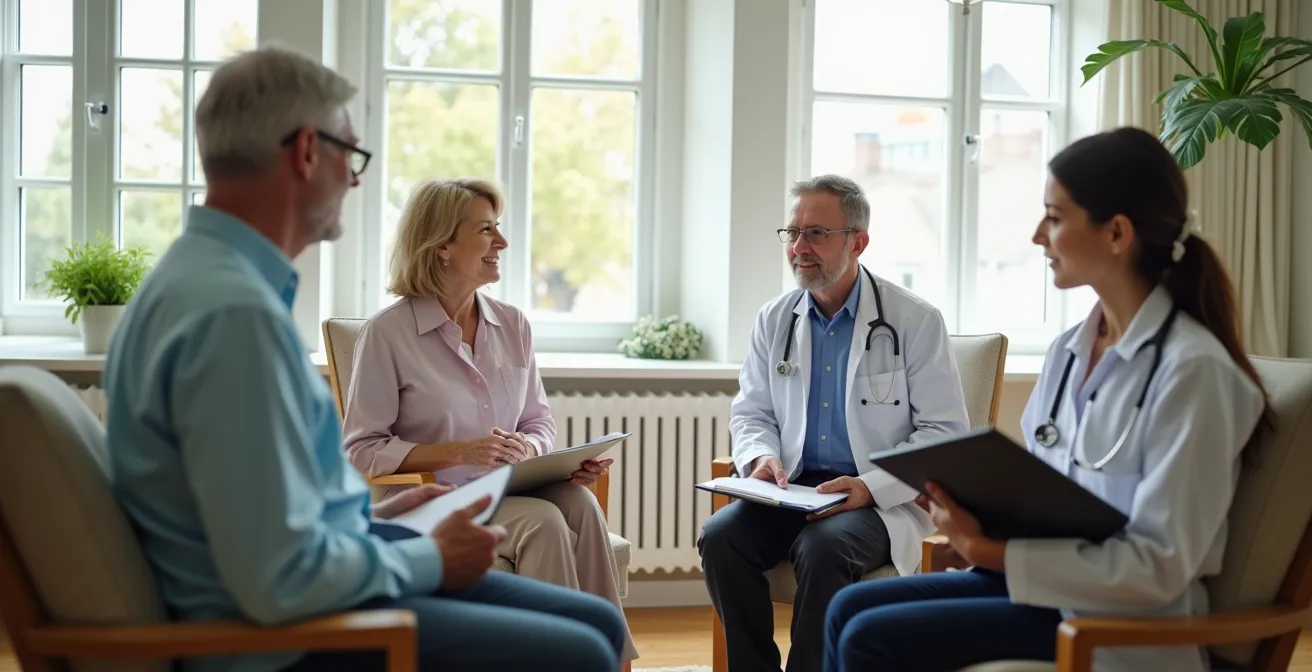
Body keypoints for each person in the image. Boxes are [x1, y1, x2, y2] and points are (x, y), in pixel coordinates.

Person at [102, 45, 626, 672]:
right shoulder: (233, 317)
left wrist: (377, 520)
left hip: (323, 581)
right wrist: (427, 554)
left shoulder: (205, 284)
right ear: (304, 151)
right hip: (287, 638)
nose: (353, 180)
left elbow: (272, 517)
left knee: (595, 618)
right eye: (350, 156)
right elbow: (276, 581)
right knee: (583, 650)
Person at [822, 127, 1272, 672]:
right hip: (1044, 592)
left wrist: (993, 552)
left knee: (872, 637)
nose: (1038, 235)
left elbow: (1158, 566)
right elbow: (1041, 490)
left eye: (1055, 218)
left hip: (1116, 623)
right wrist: (974, 516)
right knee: (846, 607)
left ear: (1117, 233)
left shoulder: (1194, 373)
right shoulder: (1069, 351)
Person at [341, 177, 638, 663]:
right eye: (485, 230)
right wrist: (460, 451)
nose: (501, 242)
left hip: (513, 485)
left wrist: (540, 455)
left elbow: (539, 421)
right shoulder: (388, 334)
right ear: (441, 246)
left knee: (579, 501)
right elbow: (362, 452)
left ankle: (610, 660)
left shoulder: (513, 323)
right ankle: (556, 657)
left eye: (497, 227)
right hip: (439, 500)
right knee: (543, 521)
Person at [698, 174, 971, 672]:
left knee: (822, 548)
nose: (800, 247)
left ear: (858, 242)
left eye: (817, 234)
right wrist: (762, 458)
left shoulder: (914, 320)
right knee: (720, 537)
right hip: (791, 489)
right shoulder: (775, 318)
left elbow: (944, 434)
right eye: (793, 233)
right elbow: (752, 411)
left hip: (877, 500)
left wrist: (868, 488)